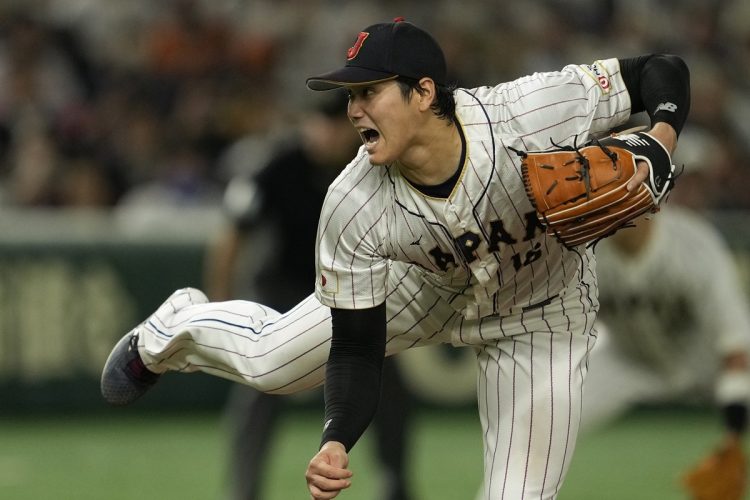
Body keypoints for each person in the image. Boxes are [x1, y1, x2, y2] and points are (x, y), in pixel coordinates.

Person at [100, 19, 690, 499]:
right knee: (268, 363)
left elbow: (661, 70)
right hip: (416, 291)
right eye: (350, 96)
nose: (354, 111)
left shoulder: (528, 113)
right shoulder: (352, 201)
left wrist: (661, 138)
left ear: (424, 91)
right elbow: (357, 348)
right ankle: (173, 326)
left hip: (543, 316)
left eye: (369, 92)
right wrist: (337, 437)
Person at [205, 95, 414, 500]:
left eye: (335, 124)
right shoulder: (279, 166)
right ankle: (243, 491)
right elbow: (231, 234)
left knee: (388, 385)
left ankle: (395, 484)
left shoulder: (370, 166)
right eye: (319, 122)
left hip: (346, 293)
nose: (326, 132)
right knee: (261, 386)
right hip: (283, 292)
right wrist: (219, 301)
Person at [581, 207, 750, 457]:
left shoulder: (692, 243)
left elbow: (733, 335)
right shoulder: (584, 251)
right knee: (550, 410)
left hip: (705, 362)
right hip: (630, 362)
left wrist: (733, 433)